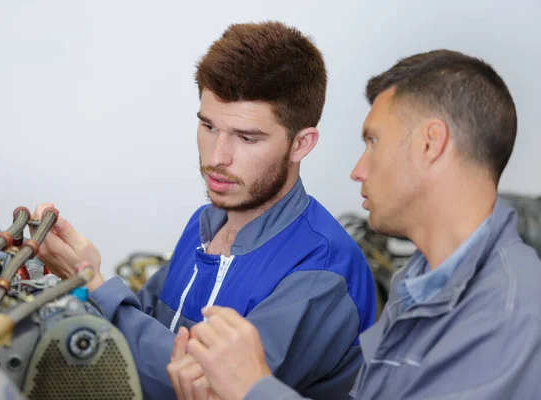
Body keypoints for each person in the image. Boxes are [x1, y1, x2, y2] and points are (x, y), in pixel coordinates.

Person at [166, 49, 541, 400]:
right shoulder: (419, 282)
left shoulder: (510, 317)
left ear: (432, 144)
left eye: (373, 141)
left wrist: (253, 389)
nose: (358, 171)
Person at [31, 21, 377, 400]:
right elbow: (140, 324)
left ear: (301, 144)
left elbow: (211, 387)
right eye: (209, 126)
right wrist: (81, 278)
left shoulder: (323, 271)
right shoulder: (206, 224)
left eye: (247, 138)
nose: (217, 158)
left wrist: (94, 283)